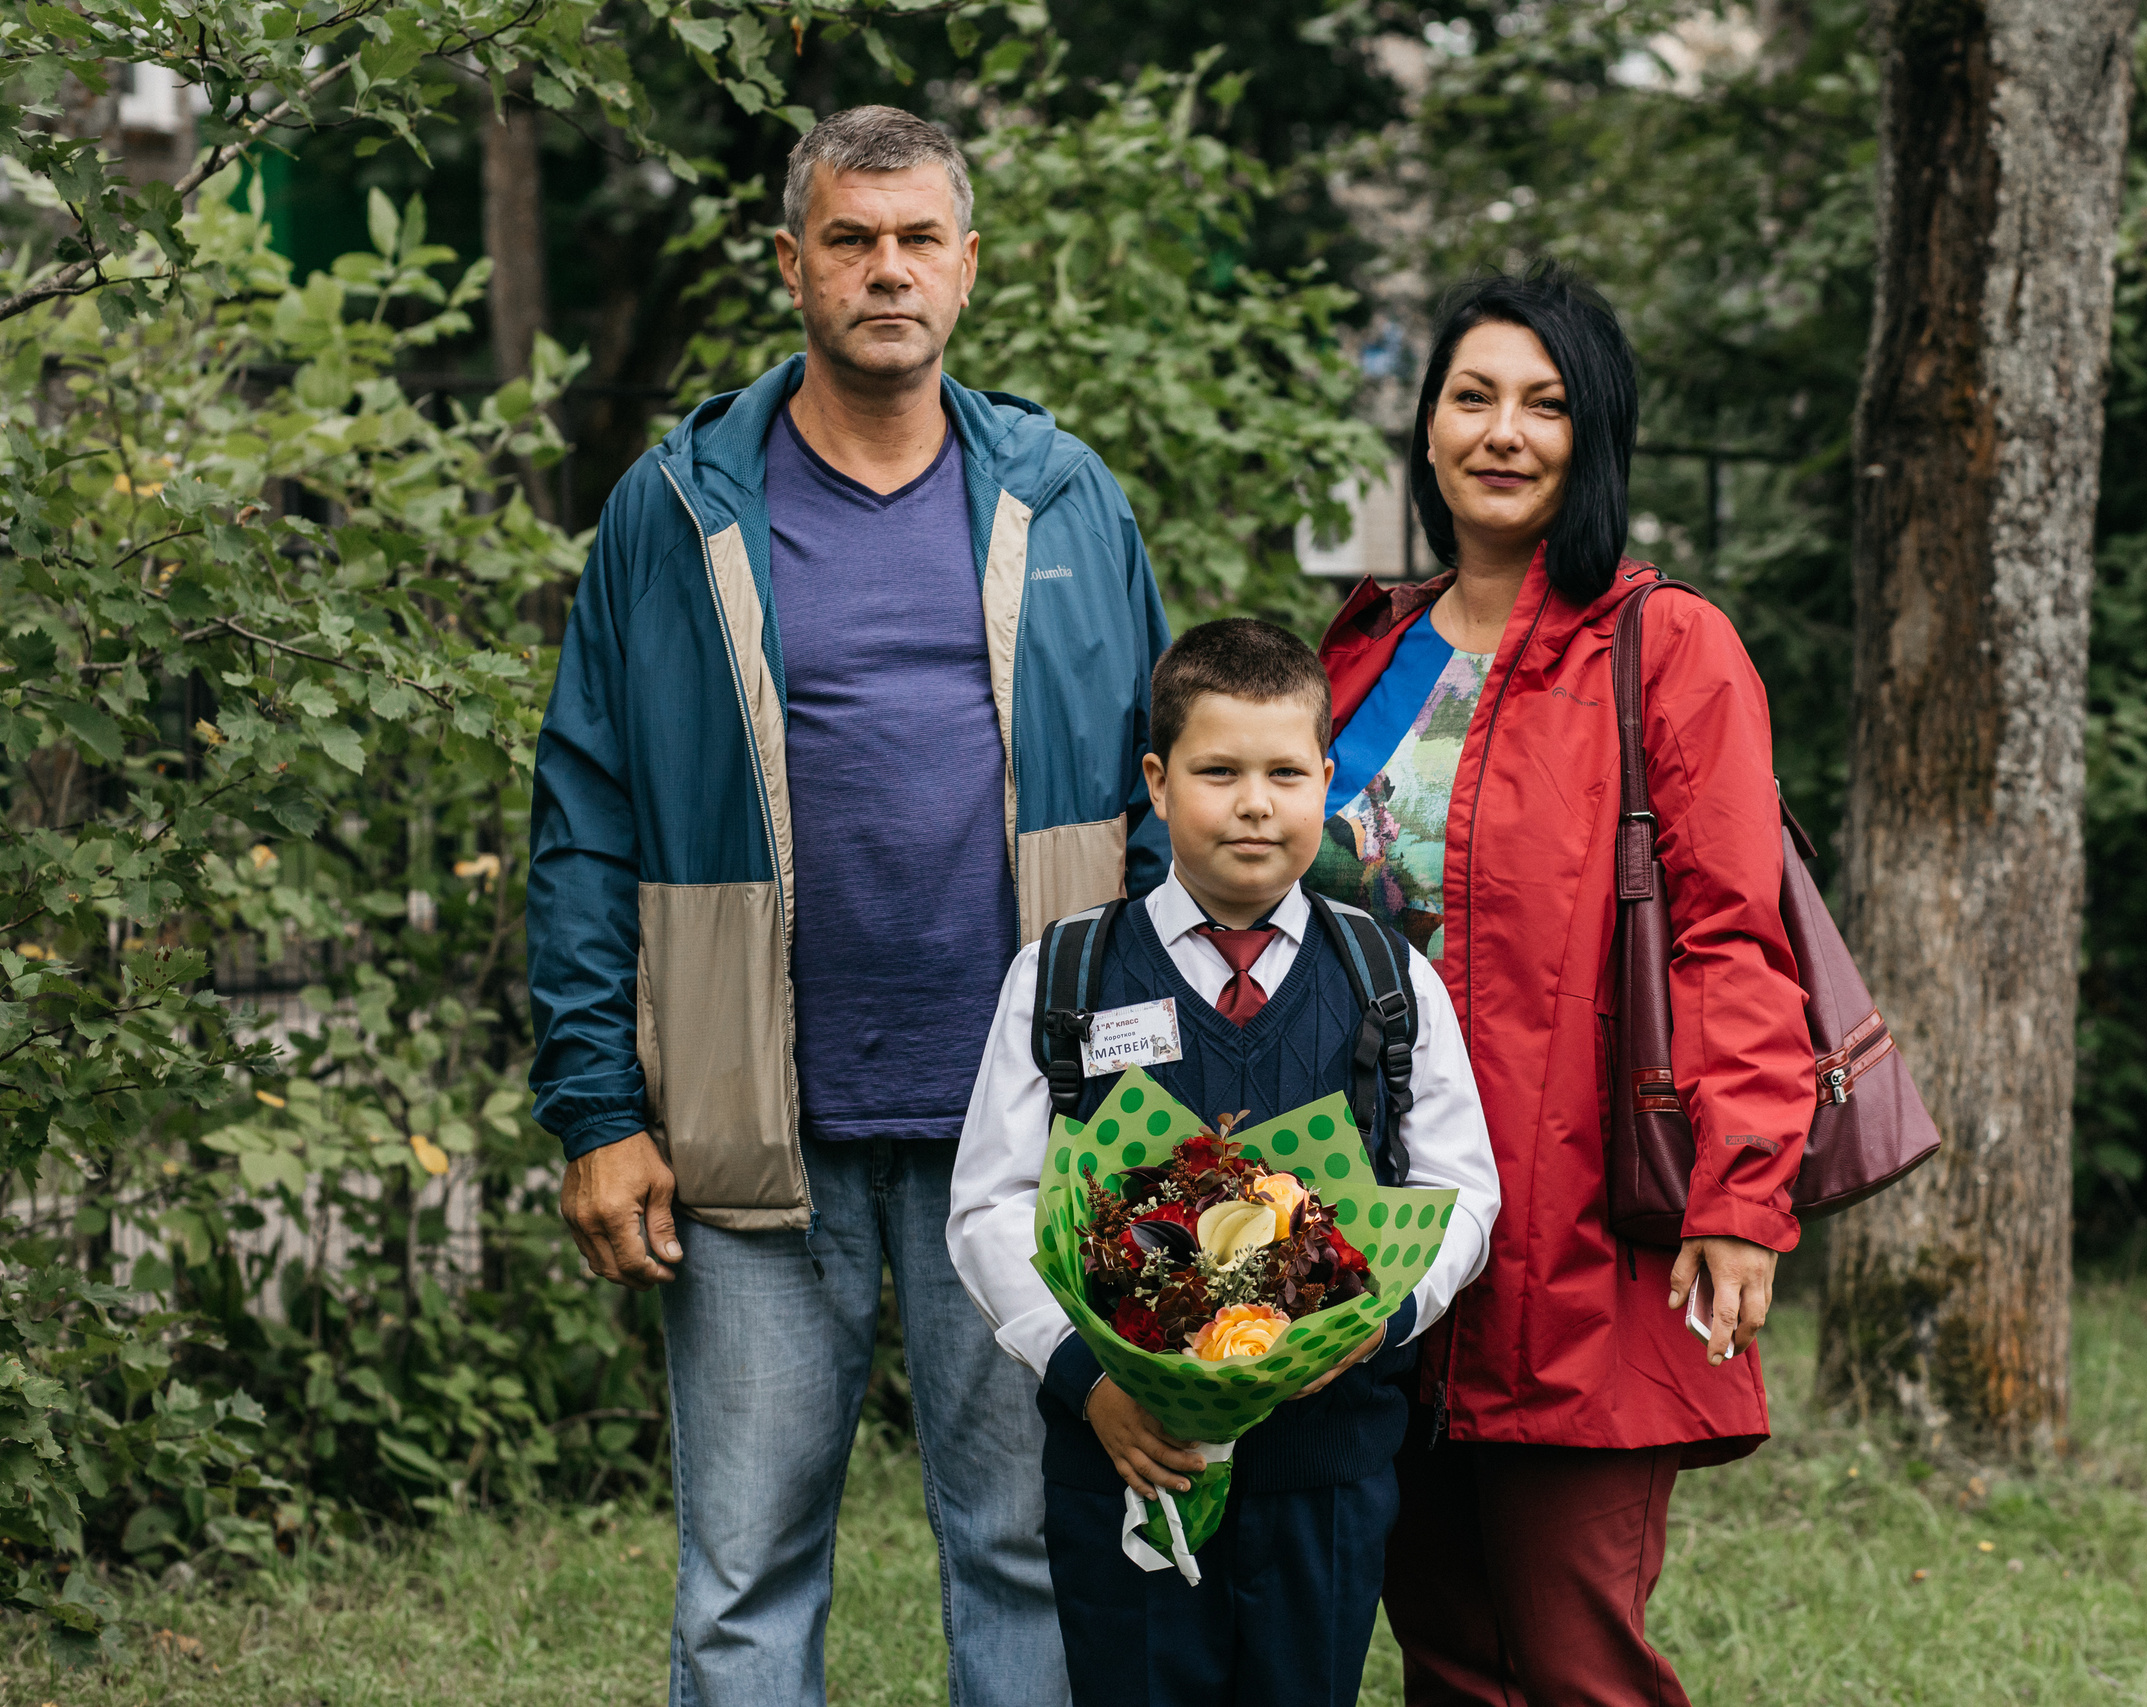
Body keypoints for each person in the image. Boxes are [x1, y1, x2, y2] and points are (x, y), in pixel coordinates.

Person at [526, 105, 1170, 1707]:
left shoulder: (1067, 497)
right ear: (792, 263)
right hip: (752, 1129)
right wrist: (598, 1102)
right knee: (744, 1574)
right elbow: (586, 820)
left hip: (1026, 1125)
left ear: (969, 263)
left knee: (1027, 1551)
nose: (886, 269)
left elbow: (1160, 805)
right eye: (850, 238)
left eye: (917, 238)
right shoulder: (674, 514)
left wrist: (1153, 1084)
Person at [1306, 266, 1816, 1706]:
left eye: (1547, 403)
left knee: (1578, 1654)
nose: (1505, 431)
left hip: (1583, 1227)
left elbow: (1731, 937)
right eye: (1473, 396)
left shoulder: (1669, 647)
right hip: (1380, 1223)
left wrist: (1740, 1194)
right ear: (1427, 426)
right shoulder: (1368, 651)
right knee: (1448, 1650)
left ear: (1597, 437)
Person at [948, 619, 1502, 1707]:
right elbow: (993, 1206)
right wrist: (1092, 1381)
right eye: (1218, 772)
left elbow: (1461, 1191)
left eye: (1286, 773)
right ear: (1157, 783)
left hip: (1326, 1471)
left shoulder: (1388, 980)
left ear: (1327, 782)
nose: (1255, 802)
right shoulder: (1065, 973)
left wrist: (1380, 1321)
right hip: (1128, 1459)